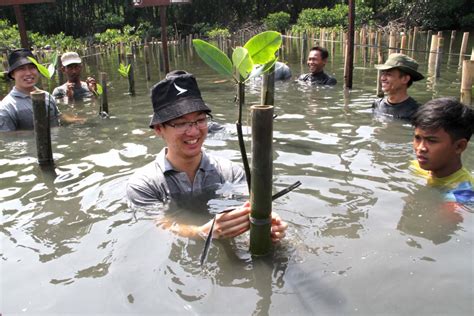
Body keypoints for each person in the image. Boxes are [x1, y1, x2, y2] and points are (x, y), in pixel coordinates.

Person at [127, 70, 288, 241]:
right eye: (181, 123)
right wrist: (202, 232)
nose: (194, 131)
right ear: (159, 129)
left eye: (200, 120)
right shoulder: (144, 185)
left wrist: (266, 223)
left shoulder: (230, 172)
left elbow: (244, 207)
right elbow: (154, 226)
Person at [411, 97, 474, 204]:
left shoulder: (463, 194)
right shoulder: (416, 167)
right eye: (417, 138)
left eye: (431, 141)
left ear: (459, 146)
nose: (421, 148)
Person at [0, 48, 60, 131]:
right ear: (13, 74)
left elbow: (57, 124)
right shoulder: (7, 107)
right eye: (21, 68)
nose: (28, 73)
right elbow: (7, 138)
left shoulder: (47, 96)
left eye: (32, 67)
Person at [373, 53, 424, 120]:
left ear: (405, 79)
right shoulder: (377, 105)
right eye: (383, 73)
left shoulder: (417, 112)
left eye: (388, 74)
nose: (382, 78)